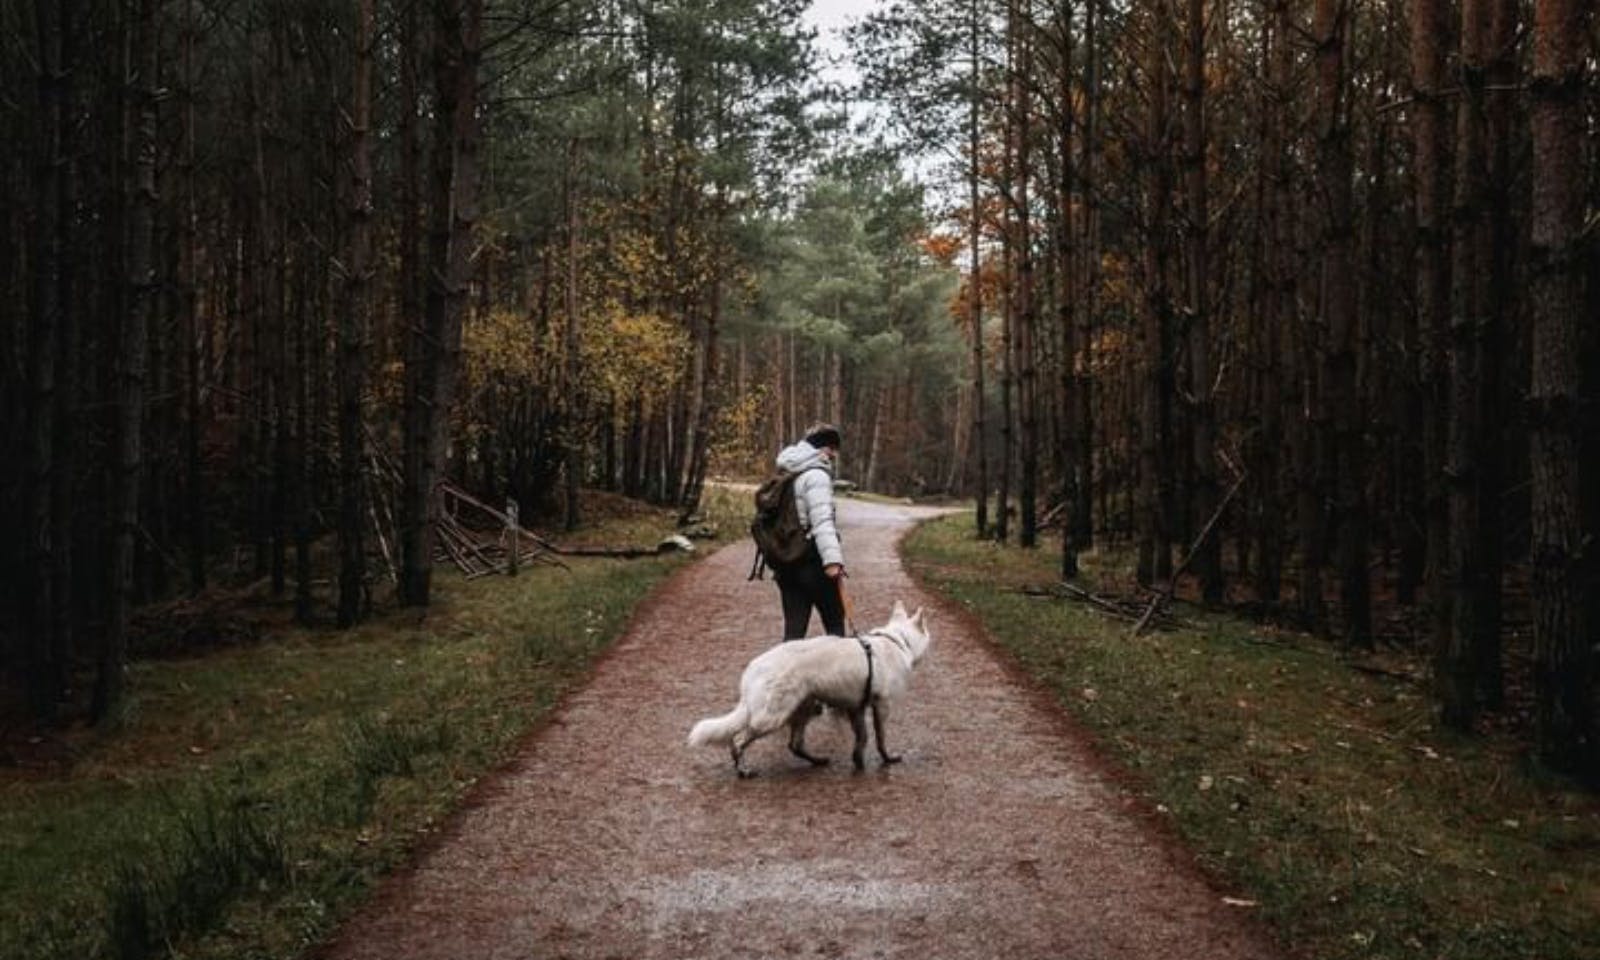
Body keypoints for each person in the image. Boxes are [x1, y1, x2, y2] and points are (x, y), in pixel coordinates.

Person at [773, 423, 847, 640]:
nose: (834, 455)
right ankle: (840, 673)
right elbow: (822, 521)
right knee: (835, 626)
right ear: (824, 449)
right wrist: (832, 561)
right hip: (811, 561)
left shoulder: (789, 470)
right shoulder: (817, 476)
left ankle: (784, 673)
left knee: (794, 632)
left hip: (786, 560)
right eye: (833, 449)